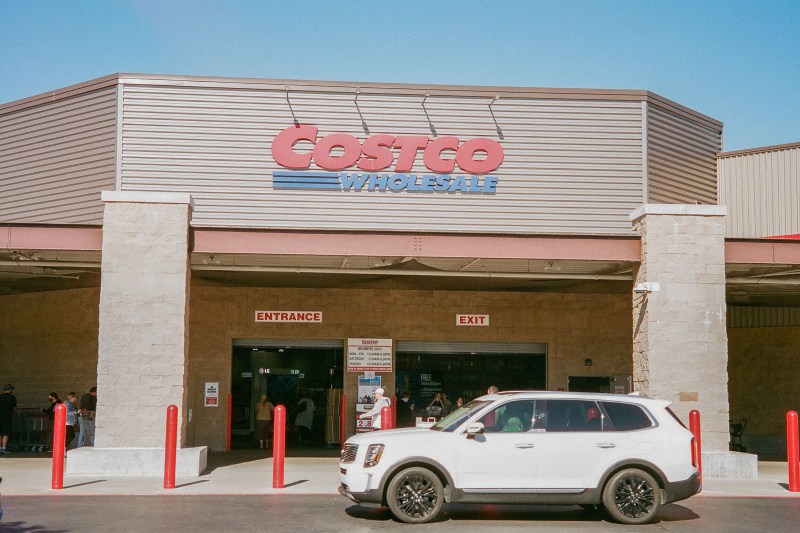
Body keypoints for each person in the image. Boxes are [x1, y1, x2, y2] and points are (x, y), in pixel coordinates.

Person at [0, 384, 17, 454]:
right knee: (5, 433)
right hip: (7, 417)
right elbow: (14, 408)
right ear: (9, 390)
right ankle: (4, 448)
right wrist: (13, 415)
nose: (12, 391)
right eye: (11, 390)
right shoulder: (12, 397)